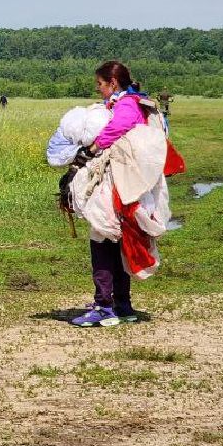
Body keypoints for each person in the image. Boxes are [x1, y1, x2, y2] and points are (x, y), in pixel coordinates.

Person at [71, 60, 149, 327]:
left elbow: (117, 129)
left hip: (115, 184)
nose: (98, 89)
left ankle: (105, 305)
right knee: (116, 241)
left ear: (113, 83)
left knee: (102, 238)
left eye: (100, 84)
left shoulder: (127, 104)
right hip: (125, 184)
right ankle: (122, 303)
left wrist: (92, 148)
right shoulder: (134, 101)